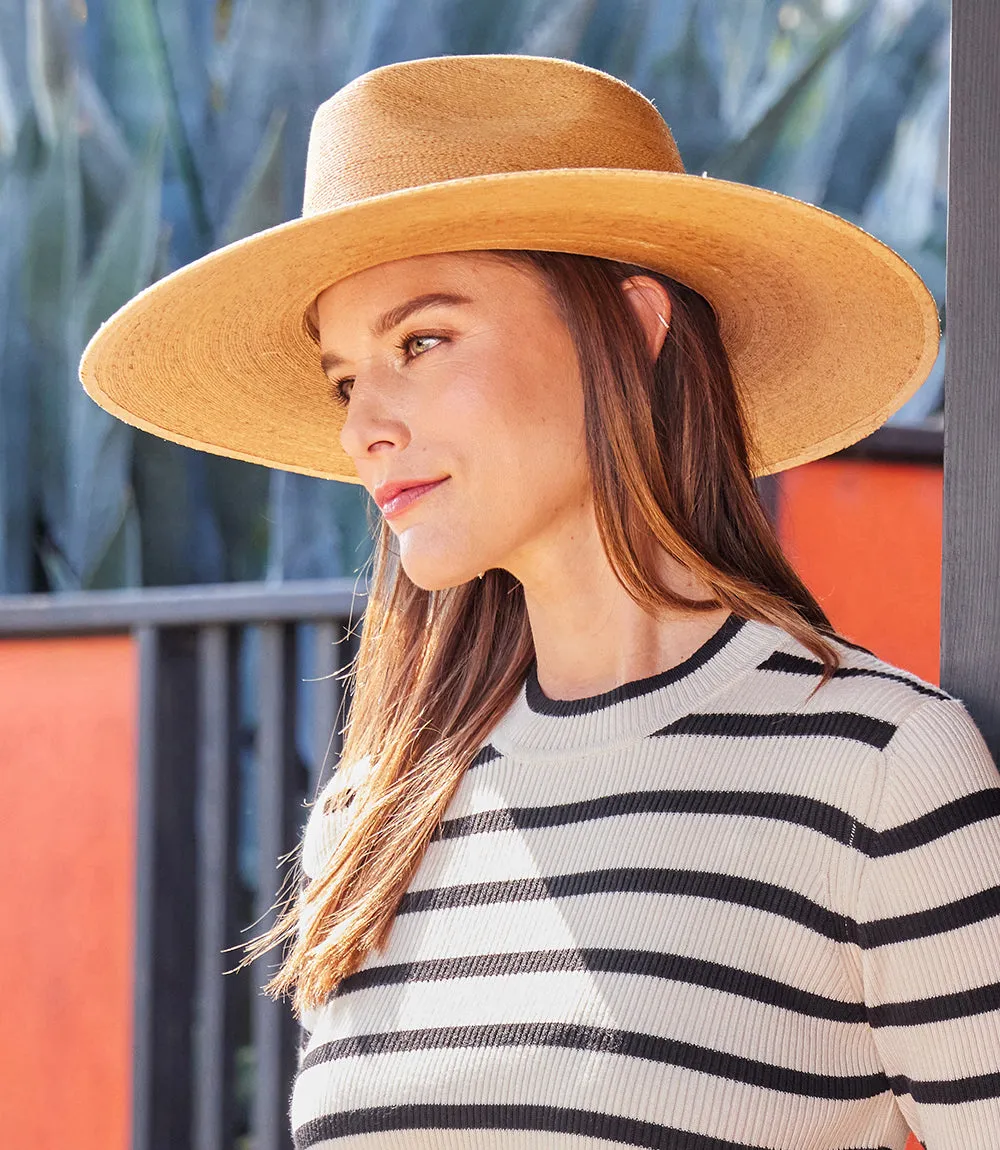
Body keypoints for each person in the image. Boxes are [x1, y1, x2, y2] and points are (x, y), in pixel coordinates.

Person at [80, 54, 1000, 1150]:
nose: (359, 426)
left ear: (636, 327)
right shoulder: (366, 819)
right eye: (342, 378)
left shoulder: (876, 771)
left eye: (420, 341)